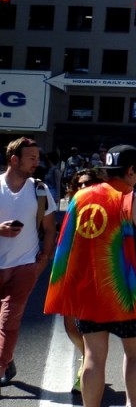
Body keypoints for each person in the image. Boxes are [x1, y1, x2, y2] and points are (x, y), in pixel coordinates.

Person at [44, 145, 136, 407]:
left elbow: (68, 243)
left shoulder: (81, 197)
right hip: (128, 294)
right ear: (132, 171)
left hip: (90, 291)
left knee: (93, 356)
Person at [0, 137, 57, 392]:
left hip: (25, 265)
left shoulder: (40, 189)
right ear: (14, 159)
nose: (37, 162)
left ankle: (0, 369)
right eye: (31, 158)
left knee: (9, 323)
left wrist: (43, 260)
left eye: (37, 157)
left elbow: (49, 228)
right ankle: (7, 361)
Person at [61, 167, 104, 393]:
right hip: (70, 272)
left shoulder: (102, 210)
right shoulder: (71, 208)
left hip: (95, 275)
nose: (84, 188)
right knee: (70, 324)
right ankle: (84, 354)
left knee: (86, 323)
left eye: (89, 184)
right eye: (80, 185)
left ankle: (87, 365)